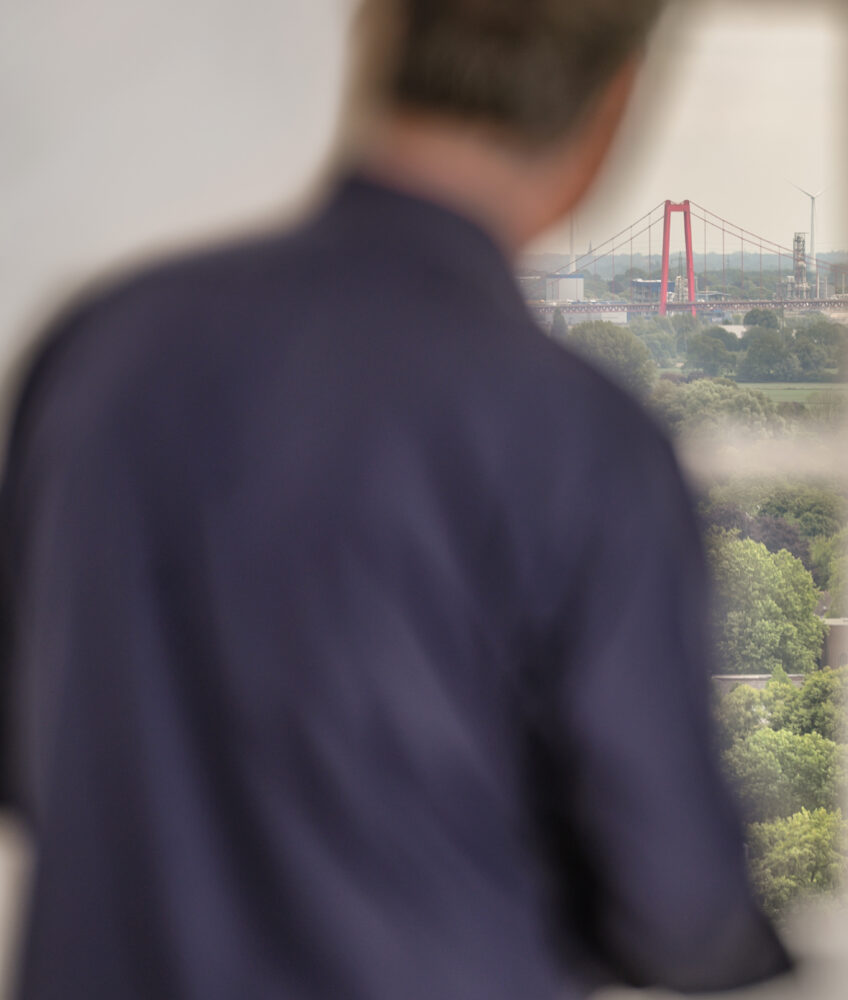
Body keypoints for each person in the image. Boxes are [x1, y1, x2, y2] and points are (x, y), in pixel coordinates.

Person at [0, 1, 792, 997]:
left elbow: (30, 760)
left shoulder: (101, 349)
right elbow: (681, 914)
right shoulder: (576, 434)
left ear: (376, 36)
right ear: (614, 105)